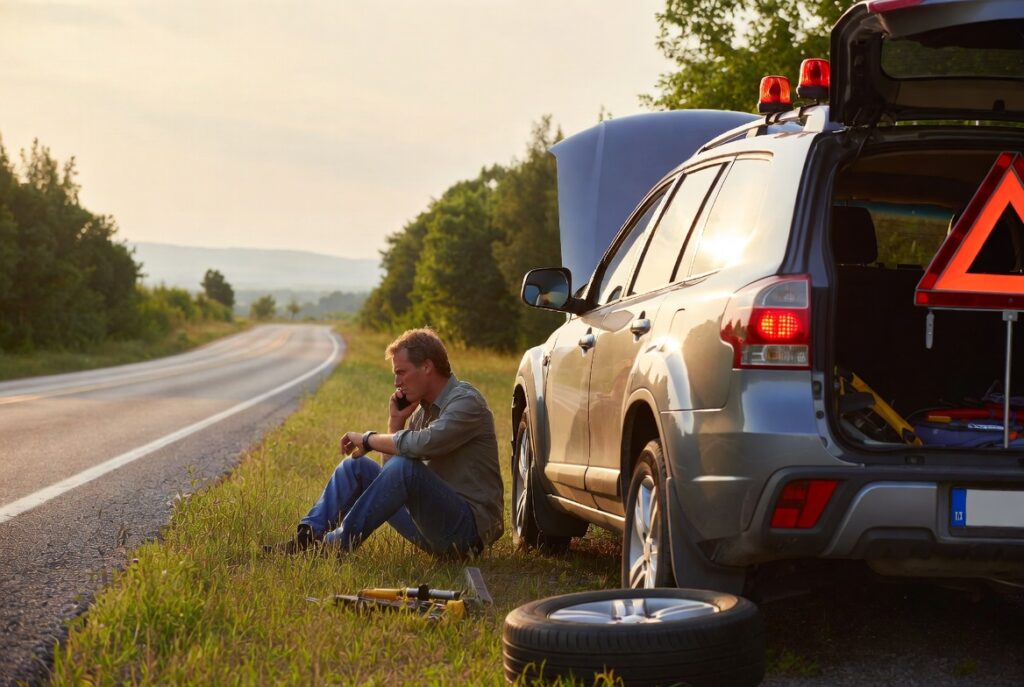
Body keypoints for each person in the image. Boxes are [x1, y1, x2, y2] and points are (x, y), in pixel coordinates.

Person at [264, 327, 504, 557]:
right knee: (355, 466)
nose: (396, 383)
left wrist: (368, 440)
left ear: (427, 366)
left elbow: (423, 445)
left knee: (405, 467)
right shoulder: (422, 411)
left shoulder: (466, 403)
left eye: (401, 372)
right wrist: (396, 420)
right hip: (430, 527)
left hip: (466, 534)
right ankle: (305, 540)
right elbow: (392, 479)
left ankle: (333, 547)